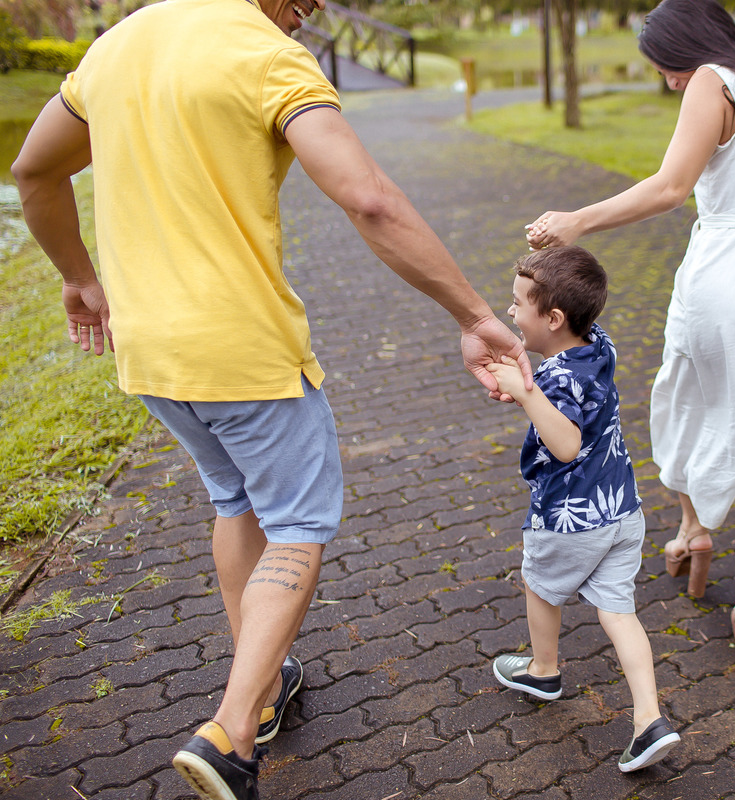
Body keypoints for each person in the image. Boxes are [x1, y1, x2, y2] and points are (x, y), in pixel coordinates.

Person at [11, 0, 532, 797]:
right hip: (243, 352)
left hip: (152, 354)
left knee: (237, 502)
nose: (315, 8)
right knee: (297, 524)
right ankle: (231, 730)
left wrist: (79, 279)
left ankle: (268, 681)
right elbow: (370, 199)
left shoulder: (121, 43)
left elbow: (34, 170)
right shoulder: (268, 55)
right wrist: (475, 316)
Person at [525, 0, 735, 671]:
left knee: (685, 401)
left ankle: (695, 530)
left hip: (730, 273)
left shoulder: (712, 80)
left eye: (666, 66)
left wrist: (579, 219)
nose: (670, 80)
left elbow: (672, 187)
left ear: (690, 47)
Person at [486, 246, 681, 773]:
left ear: (552, 318)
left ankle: (544, 669)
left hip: (571, 519)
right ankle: (649, 721)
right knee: (618, 610)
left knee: (540, 583)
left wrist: (528, 397)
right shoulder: (599, 344)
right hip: (622, 510)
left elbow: (567, 444)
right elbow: (573, 395)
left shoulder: (552, 382)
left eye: (517, 304)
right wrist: (528, 385)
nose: (510, 312)